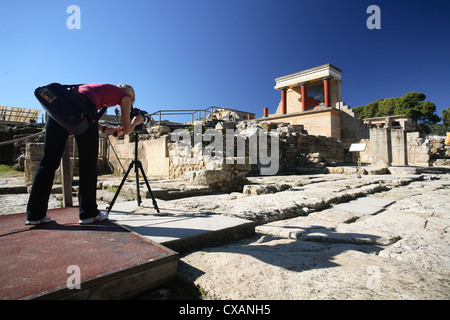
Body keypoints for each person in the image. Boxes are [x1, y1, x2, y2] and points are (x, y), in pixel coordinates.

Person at [26, 83, 144, 225]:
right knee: (88, 165)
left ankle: (35, 214)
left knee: (48, 161)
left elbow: (85, 117)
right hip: (82, 108)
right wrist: (135, 122)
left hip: (62, 105)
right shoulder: (125, 97)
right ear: (131, 97)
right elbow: (126, 129)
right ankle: (88, 213)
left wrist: (108, 129)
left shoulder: (101, 89)